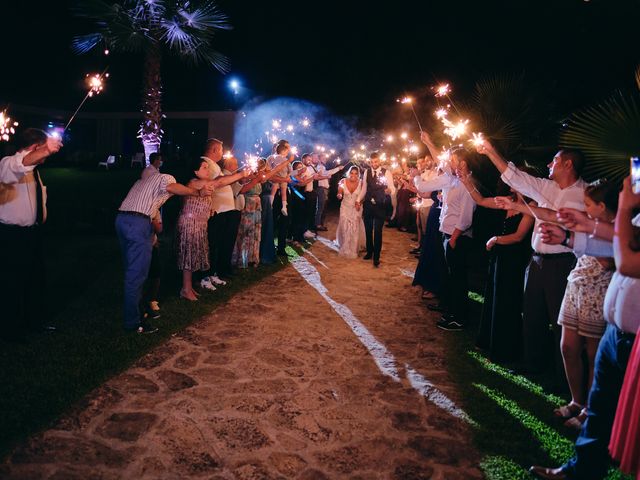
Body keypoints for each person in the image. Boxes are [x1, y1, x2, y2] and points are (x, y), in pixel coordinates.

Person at [530, 177, 639, 480]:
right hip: (616, 333)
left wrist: (624, 207)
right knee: (599, 410)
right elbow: (623, 239)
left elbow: (628, 260)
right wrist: (572, 233)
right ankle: (582, 471)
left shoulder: (632, 213)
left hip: (635, 339)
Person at [475, 139, 586, 379]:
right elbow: (516, 178)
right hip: (536, 261)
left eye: (554, 160)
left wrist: (525, 210)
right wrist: (491, 151)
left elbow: (567, 220)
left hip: (563, 263)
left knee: (559, 320)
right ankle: (534, 363)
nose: (549, 164)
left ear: (568, 164)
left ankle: (563, 374)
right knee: (532, 314)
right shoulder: (547, 187)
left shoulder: (584, 193)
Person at [457, 161, 534, 361]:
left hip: (515, 257)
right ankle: (489, 341)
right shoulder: (508, 199)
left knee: (508, 300)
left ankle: (507, 348)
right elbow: (481, 200)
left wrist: (496, 239)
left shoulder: (531, 206)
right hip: (500, 255)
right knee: (494, 296)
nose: (509, 182)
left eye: (514, 179)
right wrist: (466, 181)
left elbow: (518, 236)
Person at [0, 128, 63, 342]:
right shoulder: (7, 164)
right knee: (11, 282)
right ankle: (10, 328)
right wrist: (46, 150)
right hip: (11, 236)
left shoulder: (35, 171)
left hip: (33, 234)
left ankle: (35, 322)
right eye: (42, 148)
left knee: (35, 280)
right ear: (36, 147)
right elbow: (22, 163)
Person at [413, 131, 476, 331]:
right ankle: (449, 310)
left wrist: (453, 239)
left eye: (454, 160)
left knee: (458, 279)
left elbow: (466, 217)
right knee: (449, 276)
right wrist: (429, 141)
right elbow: (441, 162)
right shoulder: (452, 179)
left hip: (457, 237)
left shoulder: (468, 185)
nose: (449, 162)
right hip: (447, 234)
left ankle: (459, 317)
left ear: (464, 163)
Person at [176, 157, 218, 301]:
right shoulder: (195, 183)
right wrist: (242, 174)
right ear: (195, 171)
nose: (208, 170)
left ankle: (188, 287)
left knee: (194, 254)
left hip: (199, 224)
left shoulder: (203, 184)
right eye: (204, 168)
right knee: (188, 255)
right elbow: (221, 182)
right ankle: (185, 289)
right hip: (190, 224)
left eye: (208, 167)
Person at [357, 151, 396, 267]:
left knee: (378, 231)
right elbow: (364, 189)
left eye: (376, 161)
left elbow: (392, 188)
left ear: (379, 161)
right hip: (368, 205)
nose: (374, 164)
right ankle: (370, 252)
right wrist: (358, 199)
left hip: (380, 206)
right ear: (370, 162)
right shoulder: (366, 172)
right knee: (368, 230)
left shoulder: (386, 172)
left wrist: (390, 191)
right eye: (372, 162)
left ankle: (376, 257)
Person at [335, 166, 366, 258]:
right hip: (345, 207)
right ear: (349, 173)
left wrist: (359, 203)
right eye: (352, 173)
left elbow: (363, 196)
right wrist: (339, 195)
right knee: (345, 225)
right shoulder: (342, 181)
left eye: (356, 173)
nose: (353, 175)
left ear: (358, 174)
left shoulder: (361, 183)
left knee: (355, 227)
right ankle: (345, 247)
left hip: (357, 207)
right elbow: (339, 192)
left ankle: (353, 249)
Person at [314, 153, 343, 231]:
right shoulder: (320, 167)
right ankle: (317, 225)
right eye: (323, 158)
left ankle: (319, 224)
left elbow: (327, 173)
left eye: (325, 158)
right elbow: (327, 173)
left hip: (324, 189)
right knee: (320, 208)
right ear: (319, 159)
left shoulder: (322, 167)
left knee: (322, 208)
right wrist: (338, 168)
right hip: (321, 189)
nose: (325, 160)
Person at [268, 141, 294, 216]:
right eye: (287, 148)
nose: (289, 150)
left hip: (279, 184)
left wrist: (291, 175)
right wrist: (286, 178)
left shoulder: (286, 160)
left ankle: (277, 205)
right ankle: (282, 207)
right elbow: (269, 174)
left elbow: (291, 172)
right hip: (276, 185)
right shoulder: (272, 158)